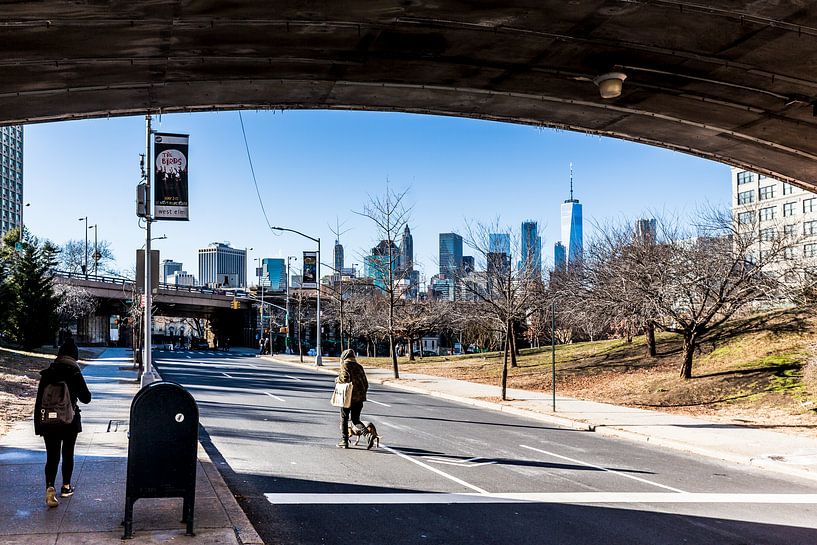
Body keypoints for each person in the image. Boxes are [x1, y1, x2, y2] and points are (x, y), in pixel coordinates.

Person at [33, 338, 91, 508]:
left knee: (52, 456)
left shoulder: (48, 373)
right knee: (67, 453)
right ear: (75, 355)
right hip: (69, 421)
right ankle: (66, 487)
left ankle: (49, 486)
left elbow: (39, 402)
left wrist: (39, 425)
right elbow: (86, 398)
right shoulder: (74, 372)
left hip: (49, 422)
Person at [335, 348, 371, 449]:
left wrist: (337, 379)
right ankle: (368, 435)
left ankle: (344, 440)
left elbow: (345, 378)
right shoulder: (359, 367)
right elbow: (366, 383)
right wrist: (361, 394)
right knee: (356, 420)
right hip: (359, 398)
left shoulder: (345, 365)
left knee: (344, 418)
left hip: (348, 397)